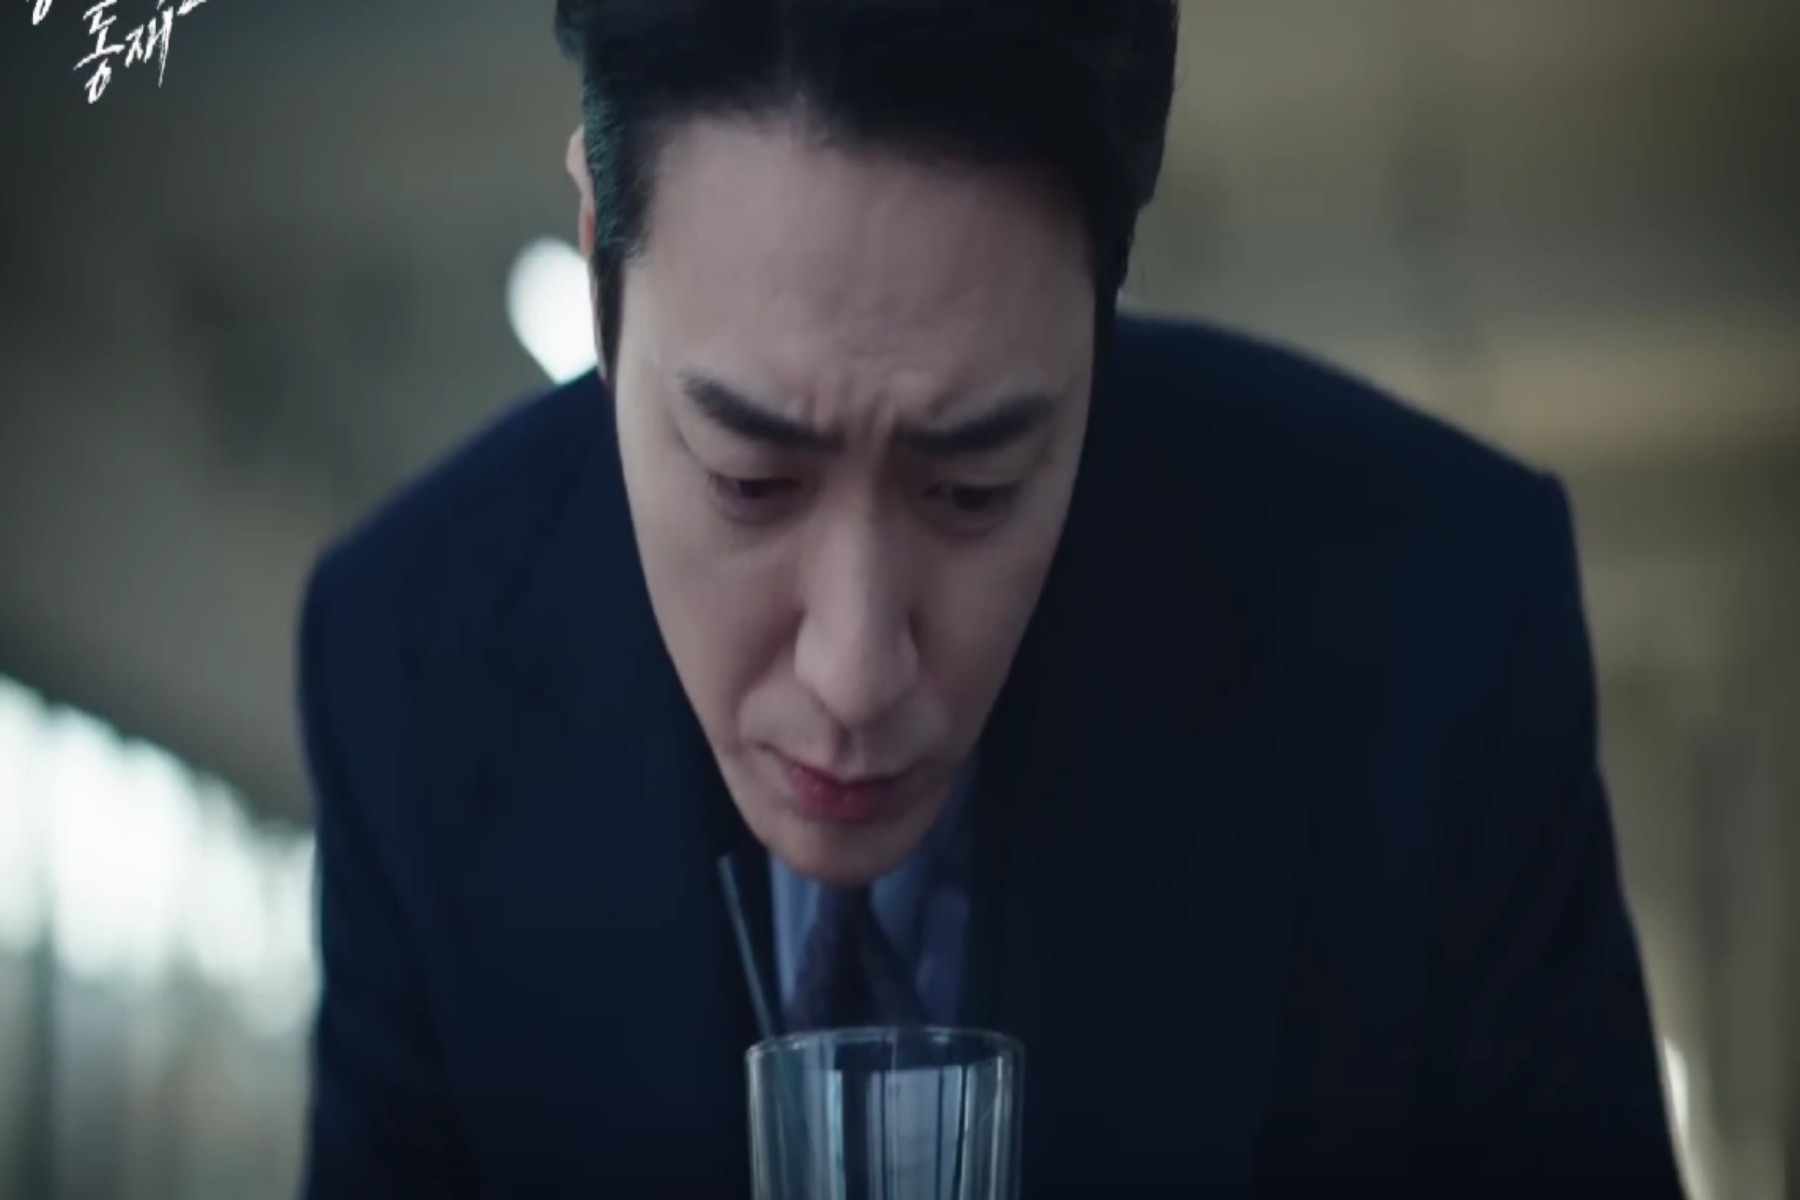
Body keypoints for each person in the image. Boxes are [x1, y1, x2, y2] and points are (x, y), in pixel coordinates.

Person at [295, 2, 1687, 1196]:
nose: (855, 670)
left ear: (1100, 321)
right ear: (601, 265)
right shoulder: (404, 668)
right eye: (749, 479)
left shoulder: (1438, 638)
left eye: (973, 490)